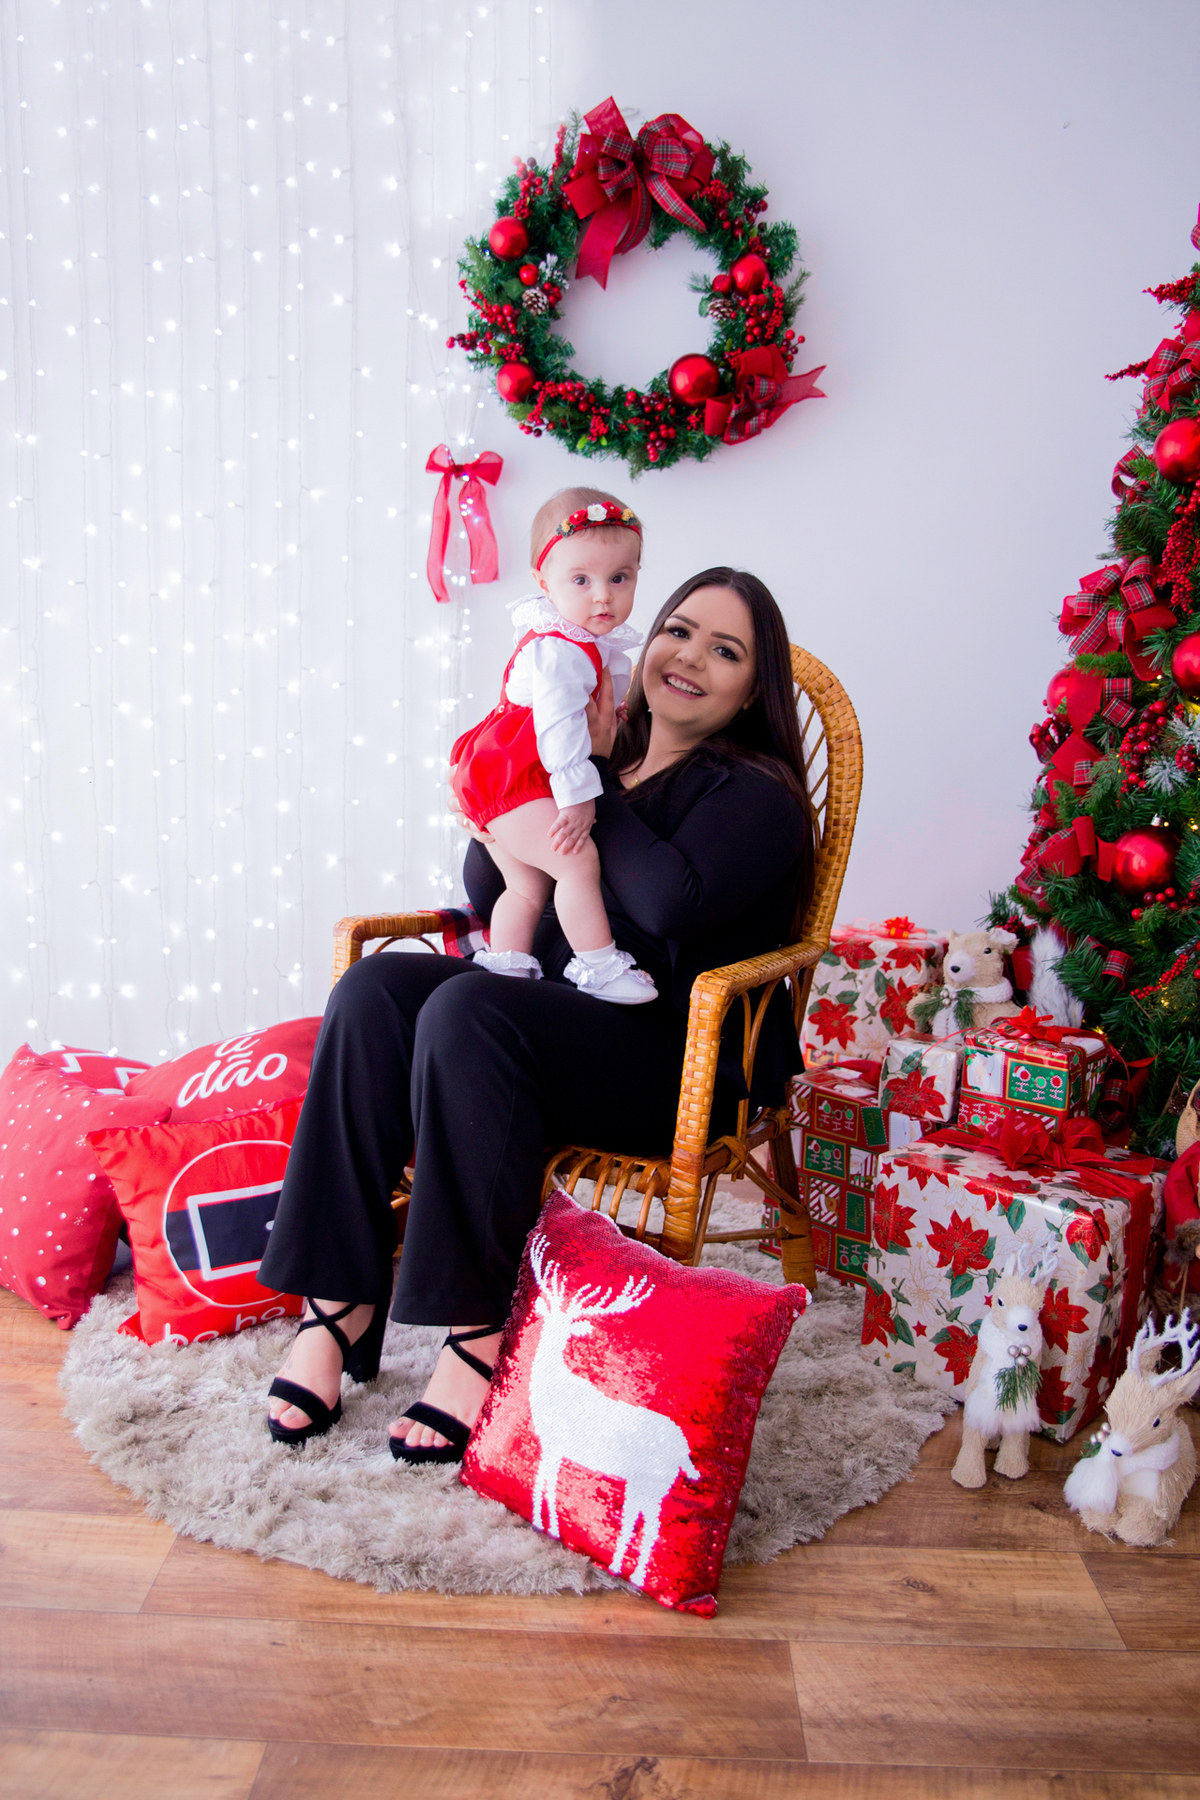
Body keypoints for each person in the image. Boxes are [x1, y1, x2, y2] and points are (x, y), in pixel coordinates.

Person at [260, 567, 817, 1465]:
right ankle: (336, 1304)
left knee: (472, 1005)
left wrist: (582, 774)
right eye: (678, 631)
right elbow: (487, 892)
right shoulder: (585, 746)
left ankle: (476, 1336)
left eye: (727, 651)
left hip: (672, 1059)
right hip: (550, 1026)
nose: (691, 658)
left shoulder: (753, 795)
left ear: (755, 688)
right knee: (376, 992)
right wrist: (504, 796)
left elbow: (668, 903)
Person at [453, 486, 657, 1005]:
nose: (603, 596)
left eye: (620, 577)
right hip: (515, 771)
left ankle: (505, 973)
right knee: (576, 861)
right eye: (581, 580)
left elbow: (606, 693)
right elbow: (562, 729)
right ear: (545, 583)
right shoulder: (559, 648)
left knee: (526, 888)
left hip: (495, 771)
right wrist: (578, 795)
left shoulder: (586, 642)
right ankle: (599, 965)